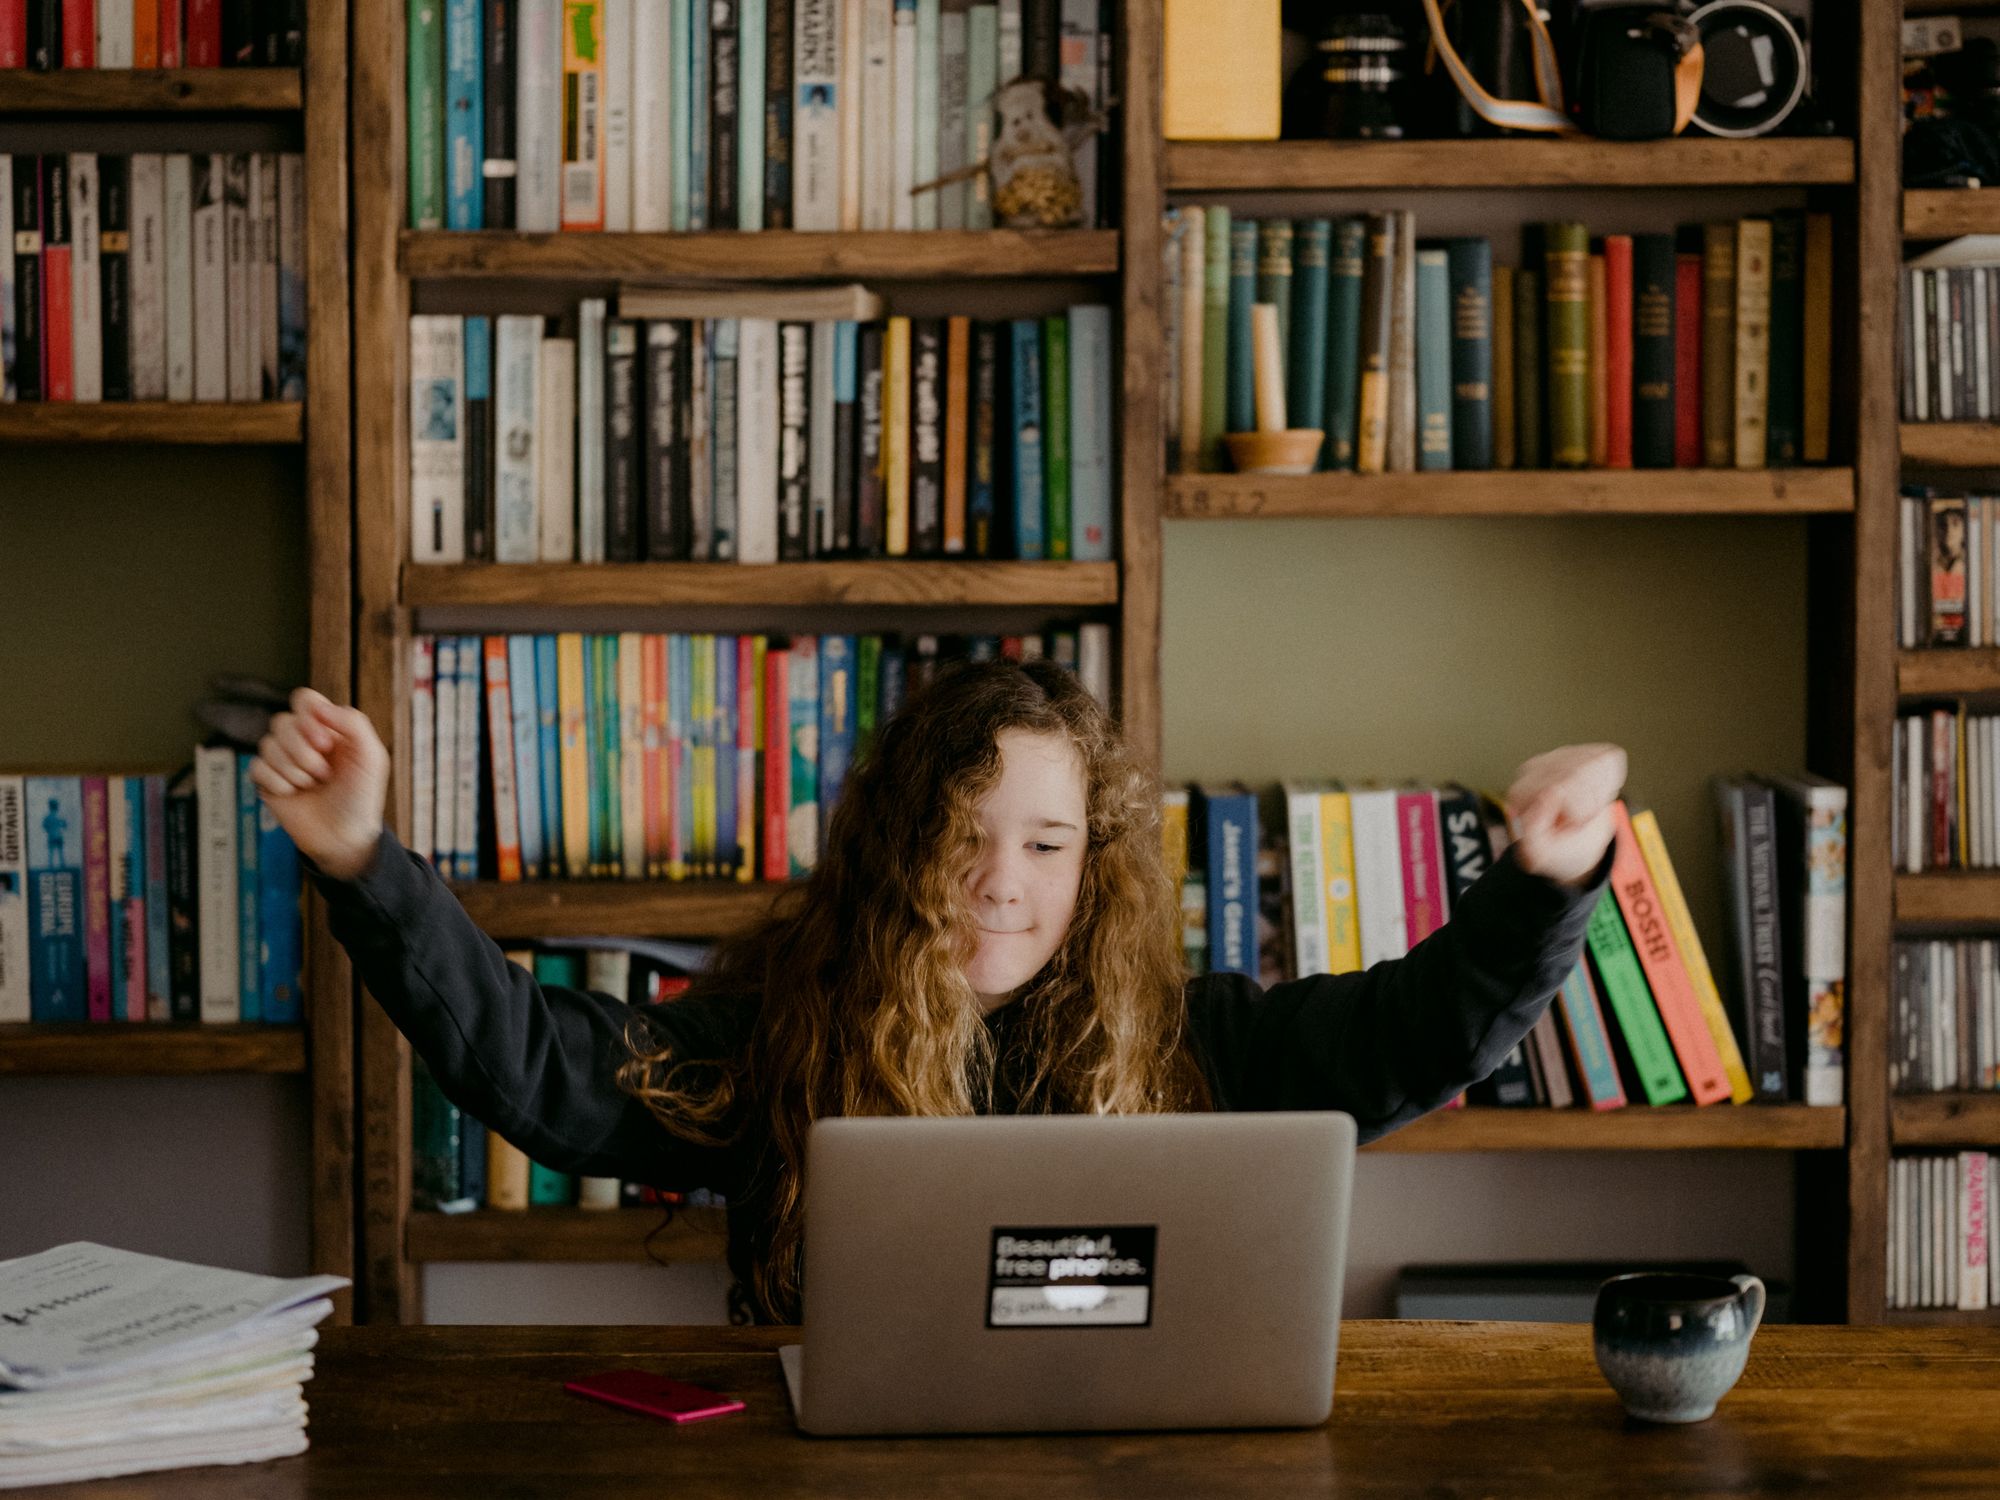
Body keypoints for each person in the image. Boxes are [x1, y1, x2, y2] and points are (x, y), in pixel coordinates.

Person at [254, 659, 1625, 1325]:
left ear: (1093, 865)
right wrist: (365, 861)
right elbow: (541, 1069)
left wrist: (1546, 881)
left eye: (1046, 846)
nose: (999, 884)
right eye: (962, 836)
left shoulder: (1197, 1042)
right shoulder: (787, 1038)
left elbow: (1412, 1038)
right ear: (897, 847)